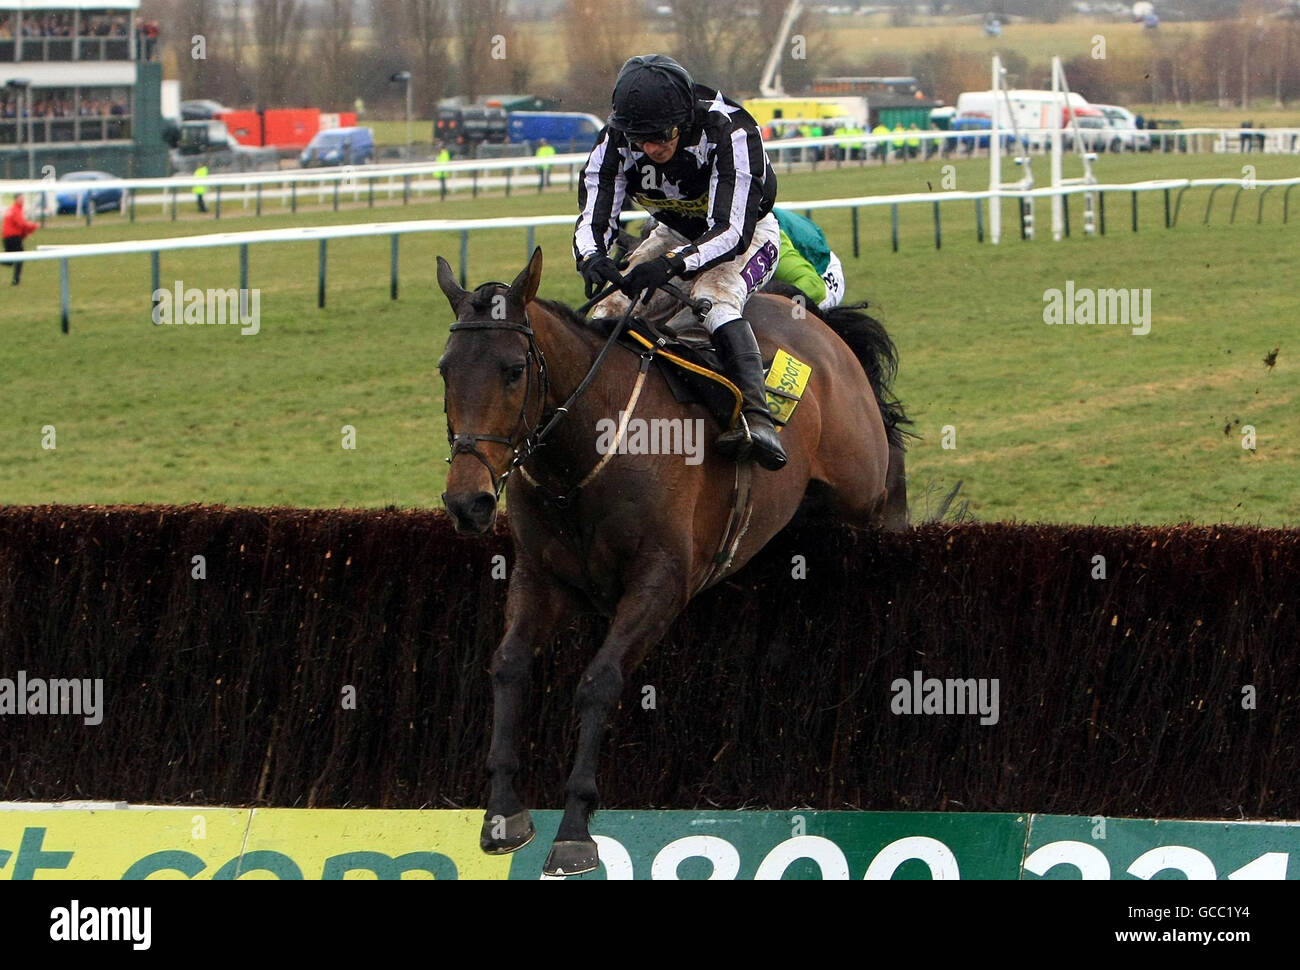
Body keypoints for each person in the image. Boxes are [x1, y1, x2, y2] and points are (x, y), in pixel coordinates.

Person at [574, 54, 786, 470]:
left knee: (712, 297)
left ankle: (758, 419)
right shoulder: (615, 139)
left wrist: (673, 265)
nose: (651, 150)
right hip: (673, 232)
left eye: (661, 137)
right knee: (609, 308)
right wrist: (592, 257)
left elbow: (730, 232)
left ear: (684, 119)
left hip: (747, 233)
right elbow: (593, 214)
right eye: (640, 140)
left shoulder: (732, 131)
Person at [770, 209, 845, 312]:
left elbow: (815, 287)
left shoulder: (770, 238)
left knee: (788, 312)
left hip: (821, 277)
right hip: (798, 249)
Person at [2, 194, 39, 285]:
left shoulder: (12, 209)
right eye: (21, 198)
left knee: (9, 261)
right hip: (13, 237)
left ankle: (16, 280)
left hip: (7, 237)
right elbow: (22, 224)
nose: (23, 200)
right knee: (19, 257)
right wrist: (34, 226)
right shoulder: (15, 210)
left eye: (23, 198)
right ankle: (16, 281)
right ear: (16, 199)